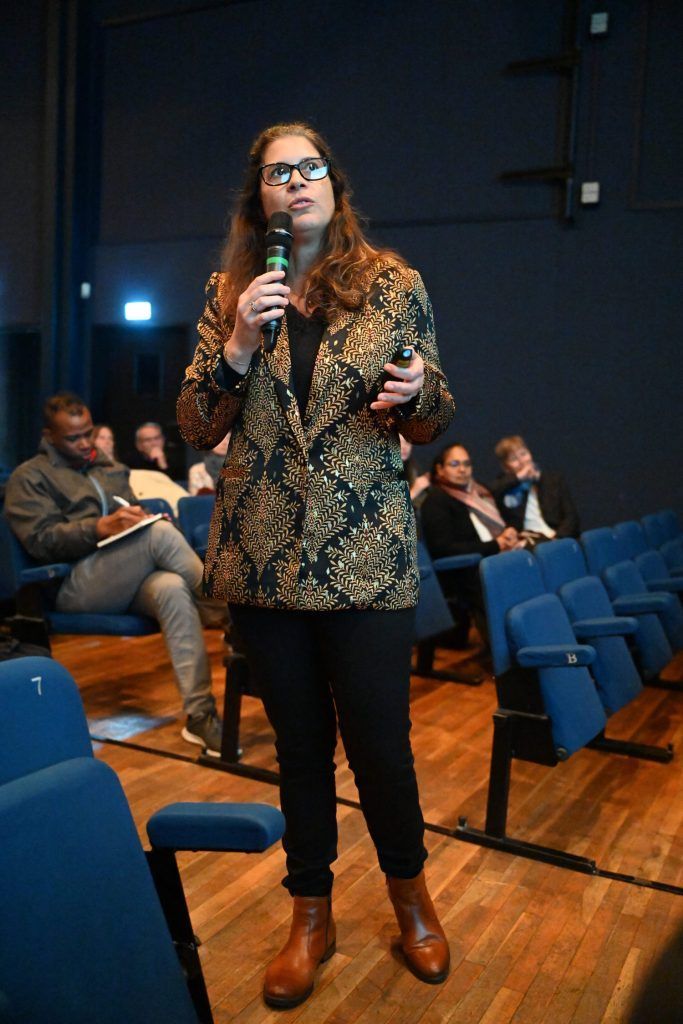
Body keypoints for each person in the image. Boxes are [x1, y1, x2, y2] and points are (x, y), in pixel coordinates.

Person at [177, 122, 455, 1008]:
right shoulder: (231, 292)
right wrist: (234, 350)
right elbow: (194, 424)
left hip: (366, 554)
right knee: (298, 750)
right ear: (256, 196)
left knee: (380, 745)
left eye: (308, 169)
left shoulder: (392, 284)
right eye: (274, 173)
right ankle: (311, 914)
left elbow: (431, 411)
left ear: (333, 183)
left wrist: (420, 395)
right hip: (263, 561)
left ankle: (412, 902)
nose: (293, 183)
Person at [4, 392, 223, 755]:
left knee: (170, 586)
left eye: (88, 433)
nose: (86, 443)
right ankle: (230, 614)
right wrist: (98, 527)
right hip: (71, 585)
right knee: (161, 535)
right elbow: (41, 541)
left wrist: (133, 519)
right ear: (50, 436)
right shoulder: (30, 478)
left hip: (120, 577)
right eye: (74, 438)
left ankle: (200, 715)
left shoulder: (107, 469)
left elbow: (125, 516)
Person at [421, 443, 520, 641]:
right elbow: (444, 549)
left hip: (494, 557)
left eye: (466, 464)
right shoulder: (436, 501)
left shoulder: (479, 492)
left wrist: (510, 530)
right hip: (463, 571)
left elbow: (509, 517)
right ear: (440, 469)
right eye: (455, 464)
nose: (462, 469)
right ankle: (509, 654)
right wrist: (496, 545)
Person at [489, 434, 580, 539]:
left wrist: (556, 539)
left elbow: (572, 517)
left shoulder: (553, 481)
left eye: (523, 454)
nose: (522, 462)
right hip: (529, 541)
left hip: (557, 538)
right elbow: (492, 490)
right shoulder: (506, 487)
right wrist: (519, 477)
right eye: (514, 459)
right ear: (506, 467)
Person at [400, 435, 431, 506]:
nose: (404, 447)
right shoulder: (379, 472)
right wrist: (415, 490)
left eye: (407, 442)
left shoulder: (412, 466)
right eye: (397, 442)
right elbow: (387, 512)